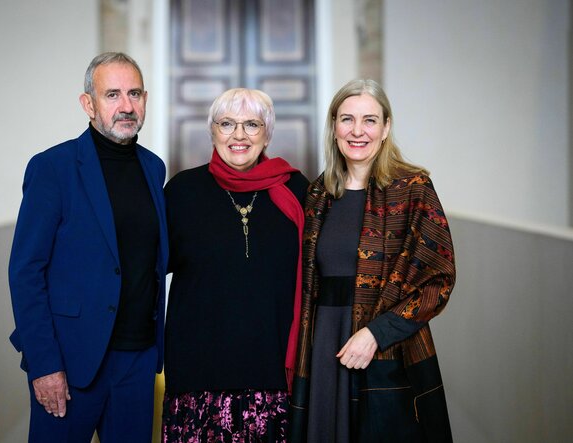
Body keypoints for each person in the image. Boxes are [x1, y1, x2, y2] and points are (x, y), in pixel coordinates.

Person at [8, 52, 168, 442]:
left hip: (138, 359)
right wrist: (45, 365)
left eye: (134, 93)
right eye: (112, 94)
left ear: (145, 99)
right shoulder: (53, 168)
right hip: (71, 361)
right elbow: (25, 271)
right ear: (88, 103)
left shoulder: (154, 167)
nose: (126, 106)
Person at [290, 79, 456, 442]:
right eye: (347, 119)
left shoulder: (414, 187)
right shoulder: (318, 193)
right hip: (323, 347)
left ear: (386, 128)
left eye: (369, 120)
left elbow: (438, 280)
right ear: (334, 127)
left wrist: (375, 334)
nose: (357, 131)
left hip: (387, 351)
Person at [161, 88, 309, 442]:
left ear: (267, 132)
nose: (239, 135)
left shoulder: (297, 190)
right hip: (198, 375)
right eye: (227, 124)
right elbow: (146, 266)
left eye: (252, 124)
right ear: (212, 130)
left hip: (271, 375)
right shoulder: (181, 192)